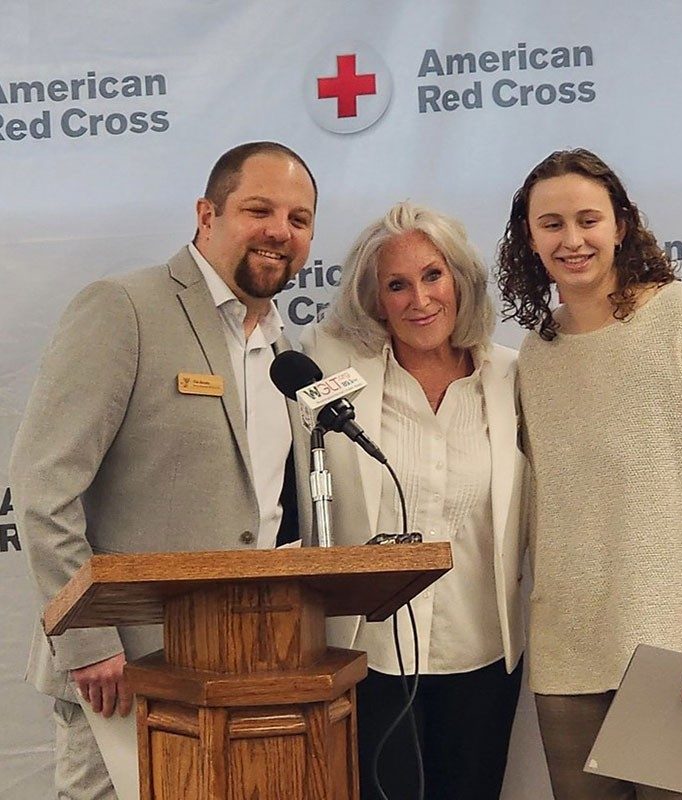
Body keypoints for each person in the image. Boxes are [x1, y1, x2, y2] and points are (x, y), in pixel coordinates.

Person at [9, 141, 316, 800]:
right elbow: (43, 488)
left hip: (243, 670)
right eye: (259, 209)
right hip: (124, 675)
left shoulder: (282, 349)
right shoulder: (124, 307)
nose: (279, 231)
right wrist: (90, 642)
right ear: (207, 214)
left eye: (299, 219)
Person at [496, 147, 682, 800]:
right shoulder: (536, 355)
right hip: (570, 654)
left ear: (621, 225)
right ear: (528, 237)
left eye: (588, 220)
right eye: (551, 224)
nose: (572, 240)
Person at [301, 201, 528, 800]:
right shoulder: (328, 368)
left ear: (461, 280)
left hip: (481, 651)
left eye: (433, 275)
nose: (419, 299)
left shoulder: (511, 378)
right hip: (368, 655)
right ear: (375, 300)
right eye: (396, 285)